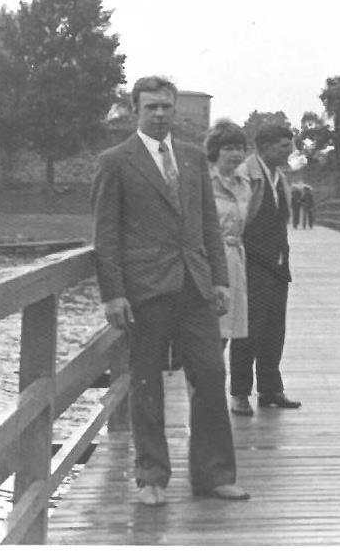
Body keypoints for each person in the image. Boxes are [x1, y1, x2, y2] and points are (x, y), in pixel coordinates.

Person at [91, 76, 250, 506]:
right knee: (146, 383)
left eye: (166, 106)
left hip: (195, 285)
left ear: (175, 109)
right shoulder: (116, 161)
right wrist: (113, 294)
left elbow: (208, 226)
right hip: (144, 289)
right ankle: (151, 477)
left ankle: (214, 475)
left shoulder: (195, 158)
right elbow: (105, 236)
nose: (160, 114)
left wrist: (219, 278)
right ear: (135, 110)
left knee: (212, 376)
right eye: (151, 107)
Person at [229, 124, 302, 411]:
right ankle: (240, 393)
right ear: (266, 146)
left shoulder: (278, 176)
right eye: (284, 146)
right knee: (248, 329)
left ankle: (271, 389)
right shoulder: (246, 175)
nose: (289, 151)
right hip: (251, 262)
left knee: (274, 329)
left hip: (277, 264)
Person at [206, 120, 251, 363]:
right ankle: (204, 391)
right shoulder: (202, 181)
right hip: (209, 261)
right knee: (210, 332)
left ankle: (212, 389)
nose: (236, 154)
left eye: (240, 148)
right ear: (215, 150)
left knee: (227, 331)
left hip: (234, 260)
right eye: (229, 148)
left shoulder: (244, 185)